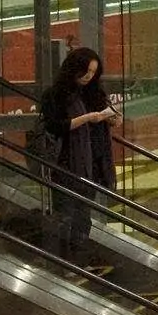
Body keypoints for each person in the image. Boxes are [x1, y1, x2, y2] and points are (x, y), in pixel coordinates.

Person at [38, 46, 116, 252]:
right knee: (65, 214)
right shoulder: (56, 95)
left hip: (90, 166)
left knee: (83, 217)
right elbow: (56, 126)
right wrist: (88, 118)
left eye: (93, 73)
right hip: (66, 164)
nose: (88, 77)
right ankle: (62, 258)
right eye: (86, 71)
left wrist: (111, 117)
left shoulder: (94, 94)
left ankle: (77, 258)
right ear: (74, 68)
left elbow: (104, 118)